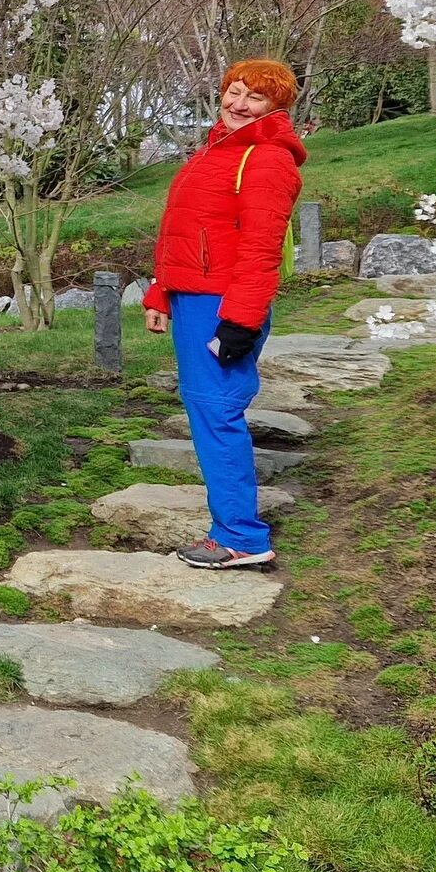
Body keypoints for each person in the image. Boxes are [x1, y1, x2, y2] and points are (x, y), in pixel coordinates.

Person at [140, 59, 307, 570]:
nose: (239, 105)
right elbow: (186, 232)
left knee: (217, 413)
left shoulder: (267, 159)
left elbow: (259, 248)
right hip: (195, 299)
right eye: (233, 92)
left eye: (254, 99)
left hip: (224, 304)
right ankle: (235, 529)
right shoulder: (216, 150)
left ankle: (240, 537)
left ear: (275, 107)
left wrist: (240, 319)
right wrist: (160, 293)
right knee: (209, 411)